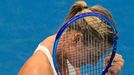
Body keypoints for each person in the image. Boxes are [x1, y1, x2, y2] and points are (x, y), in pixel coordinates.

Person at [18, 1, 124, 75]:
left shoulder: (68, 55)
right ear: (76, 39)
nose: (94, 63)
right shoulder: (36, 71)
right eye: (93, 56)